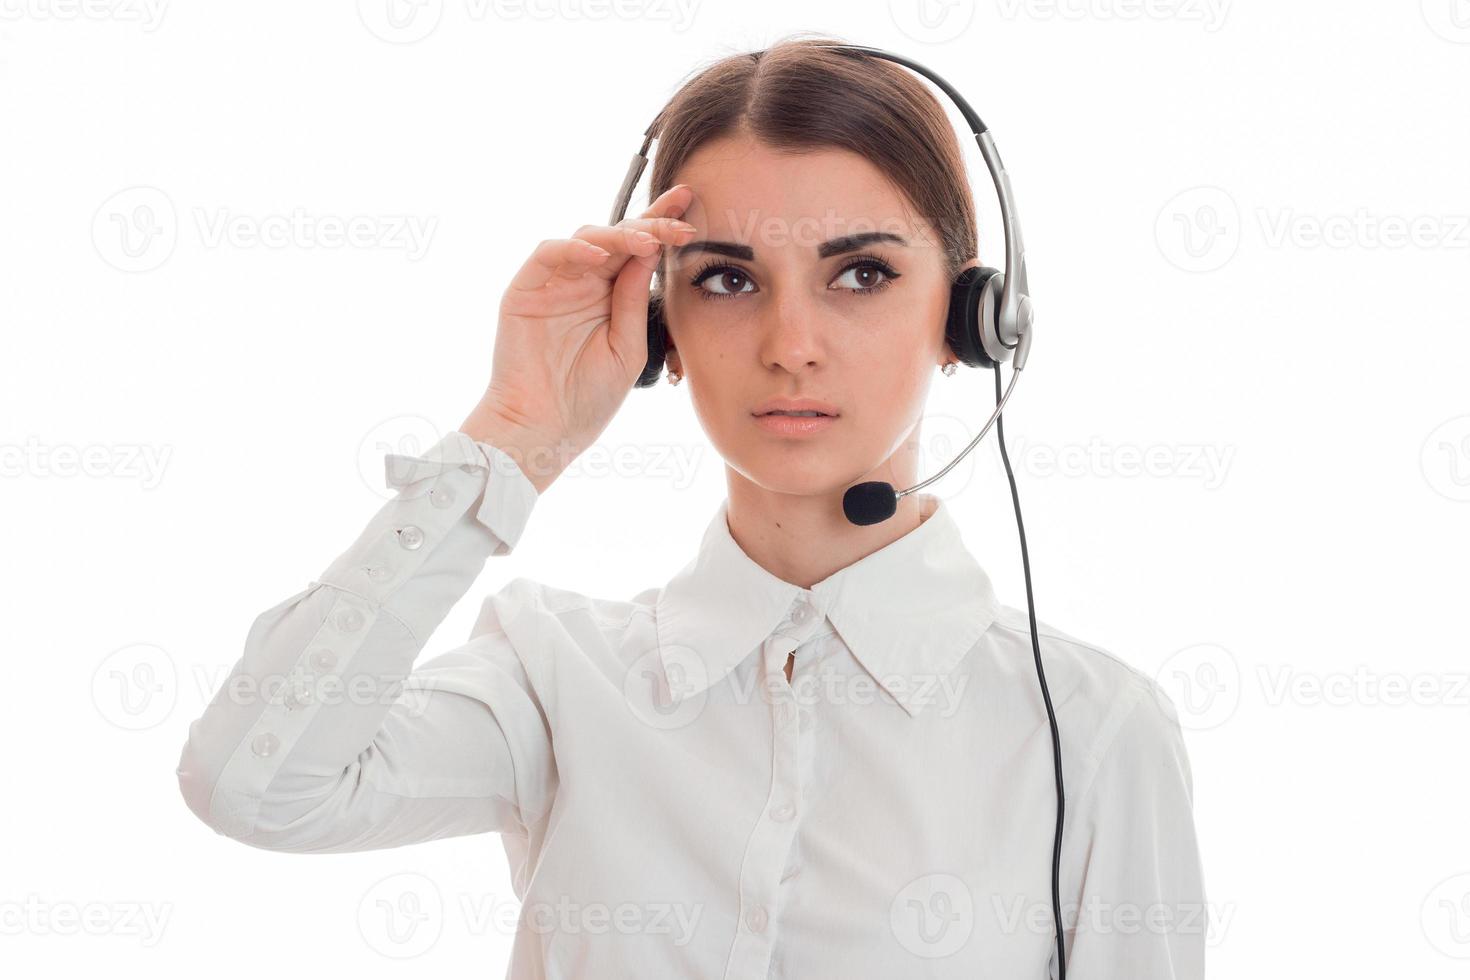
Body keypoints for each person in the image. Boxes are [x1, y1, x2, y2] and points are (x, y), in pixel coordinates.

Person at [176, 35, 1207, 978]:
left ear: (974, 317)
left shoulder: (1089, 728)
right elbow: (254, 785)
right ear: (659, 323)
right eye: (725, 279)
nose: (789, 342)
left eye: (860, 272)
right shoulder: (554, 672)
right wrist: (514, 434)